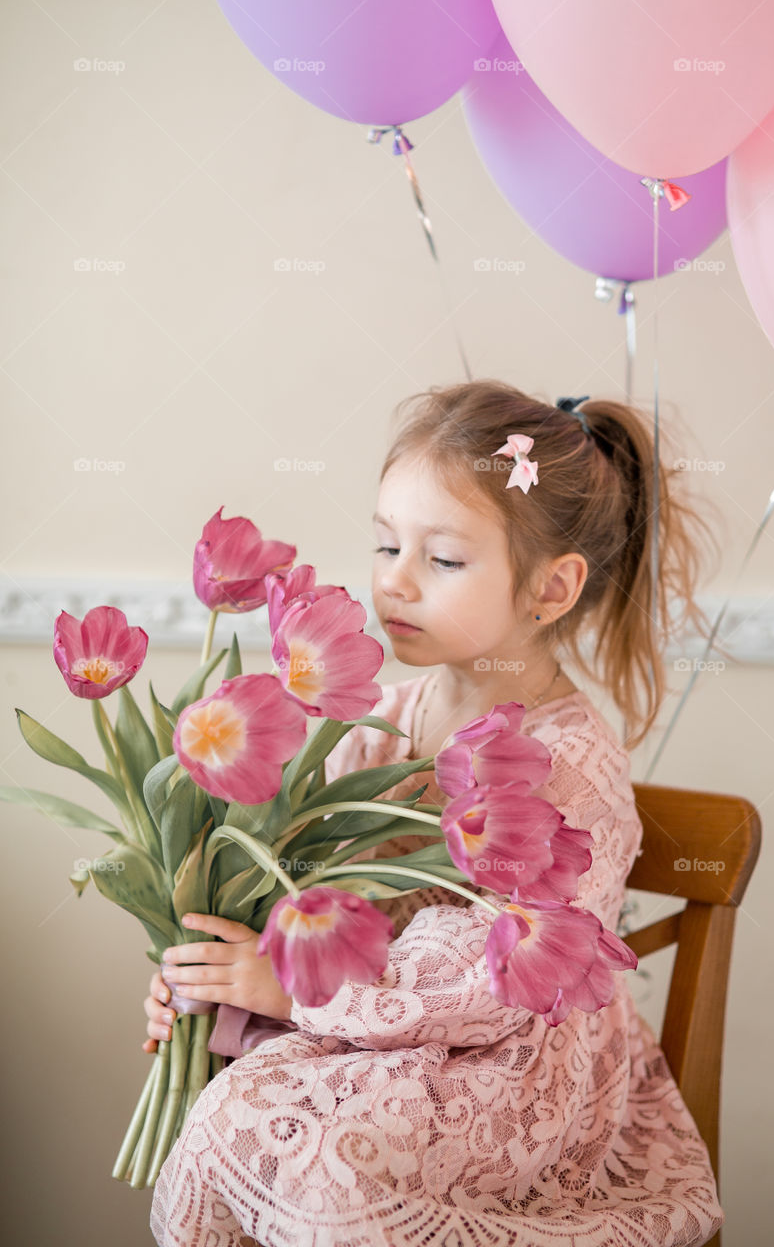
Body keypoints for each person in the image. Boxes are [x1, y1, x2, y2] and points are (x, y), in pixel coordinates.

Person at [148, 379, 723, 1246]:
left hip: (502, 1071)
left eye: (442, 561)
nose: (395, 584)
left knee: (321, 1160)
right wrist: (220, 980)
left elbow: (495, 982)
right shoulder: (375, 726)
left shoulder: (571, 764)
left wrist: (297, 994)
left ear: (550, 589)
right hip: (368, 1040)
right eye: (385, 546)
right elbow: (309, 900)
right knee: (235, 1111)